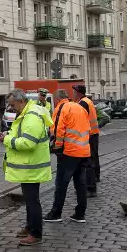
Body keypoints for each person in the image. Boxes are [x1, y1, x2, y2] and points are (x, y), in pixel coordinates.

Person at [0, 89, 53, 246]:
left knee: (32, 201)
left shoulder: (31, 117)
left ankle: (36, 233)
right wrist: (8, 134)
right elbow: (23, 135)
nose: (11, 108)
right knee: (30, 200)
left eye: (12, 104)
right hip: (28, 166)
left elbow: (28, 143)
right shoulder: (27, 113)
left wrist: (7, 139)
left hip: (31, 166)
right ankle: (30, 227)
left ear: (21, 101)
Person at [43, 89, 91, 223]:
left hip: (69, 152)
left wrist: (56, 148)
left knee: (61, 184)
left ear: (57, 100)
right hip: (84, 151)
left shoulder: (61, 108)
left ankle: (56, 213)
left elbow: (58, 130)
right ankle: (80, 214)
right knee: (80, 183)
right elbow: (88, 128)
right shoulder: (79, 107)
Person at [72, 85, 100, 197]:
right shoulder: (88, 101)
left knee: (88, 163)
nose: (72, 94)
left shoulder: (82, 103)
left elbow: (80, 120)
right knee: (92, 160)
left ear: (78, 93)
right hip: (93, 134)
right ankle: (92, 183)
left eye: (74, 92)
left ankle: (90, 188)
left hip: (88, 136)